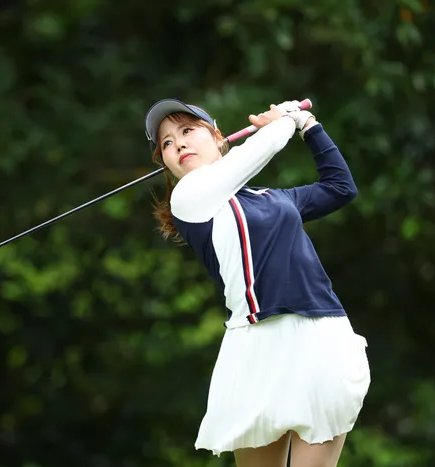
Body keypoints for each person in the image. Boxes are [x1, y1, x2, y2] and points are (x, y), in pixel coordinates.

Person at [143, 98, 371, 467]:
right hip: (254, 349)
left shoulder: (274, 199)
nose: (179, 143)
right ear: (166, 161)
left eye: (187, 130)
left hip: (321, 336)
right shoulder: (188, 199)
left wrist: (308, 125)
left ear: (219, 138)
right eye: (167, 142)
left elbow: (340, 187)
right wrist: (284, 120)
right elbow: (261, 148)